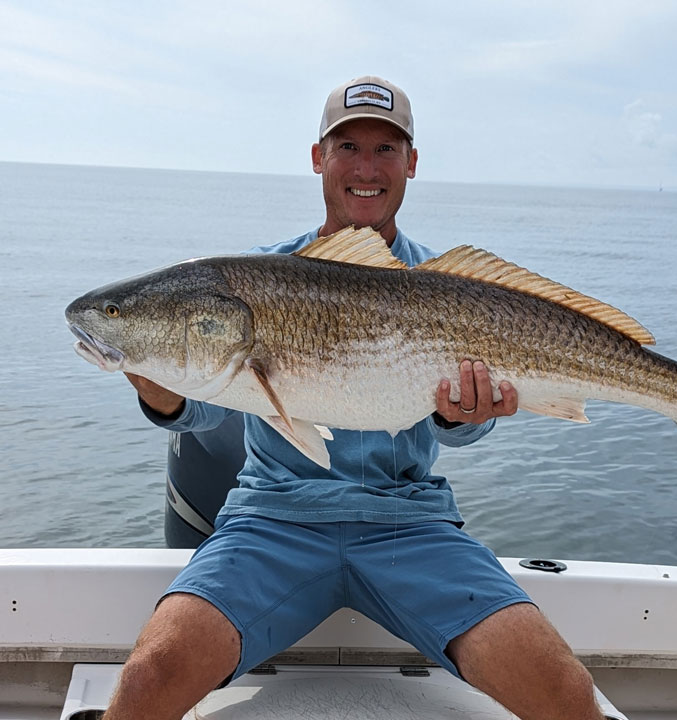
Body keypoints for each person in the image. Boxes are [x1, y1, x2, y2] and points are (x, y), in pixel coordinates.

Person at [110, 76, 604, 720]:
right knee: (147, 680)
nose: (366, 168)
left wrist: (468, 415)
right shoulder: (256, 278)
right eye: (347, 147)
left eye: (386, 150)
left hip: (410, 523)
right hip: (271, 522)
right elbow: (206, 406)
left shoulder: (446, 283)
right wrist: (161, 390)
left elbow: (463, 427)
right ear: (319, 157)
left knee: (566, 696)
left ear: (412, 164)